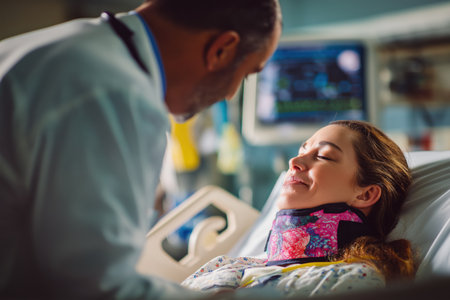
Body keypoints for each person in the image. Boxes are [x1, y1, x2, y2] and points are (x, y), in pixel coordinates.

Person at [0, 0, 282, 298]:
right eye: (247, 73)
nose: (230, 94)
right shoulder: (115, 95)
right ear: (221, 50)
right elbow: (97, 288)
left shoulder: (59, 47)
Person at [182, 120, 416, 297]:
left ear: (365, 194)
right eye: (302, 150)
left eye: (323, 156)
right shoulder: (228, 265)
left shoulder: (353, 281)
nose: (294, 162)